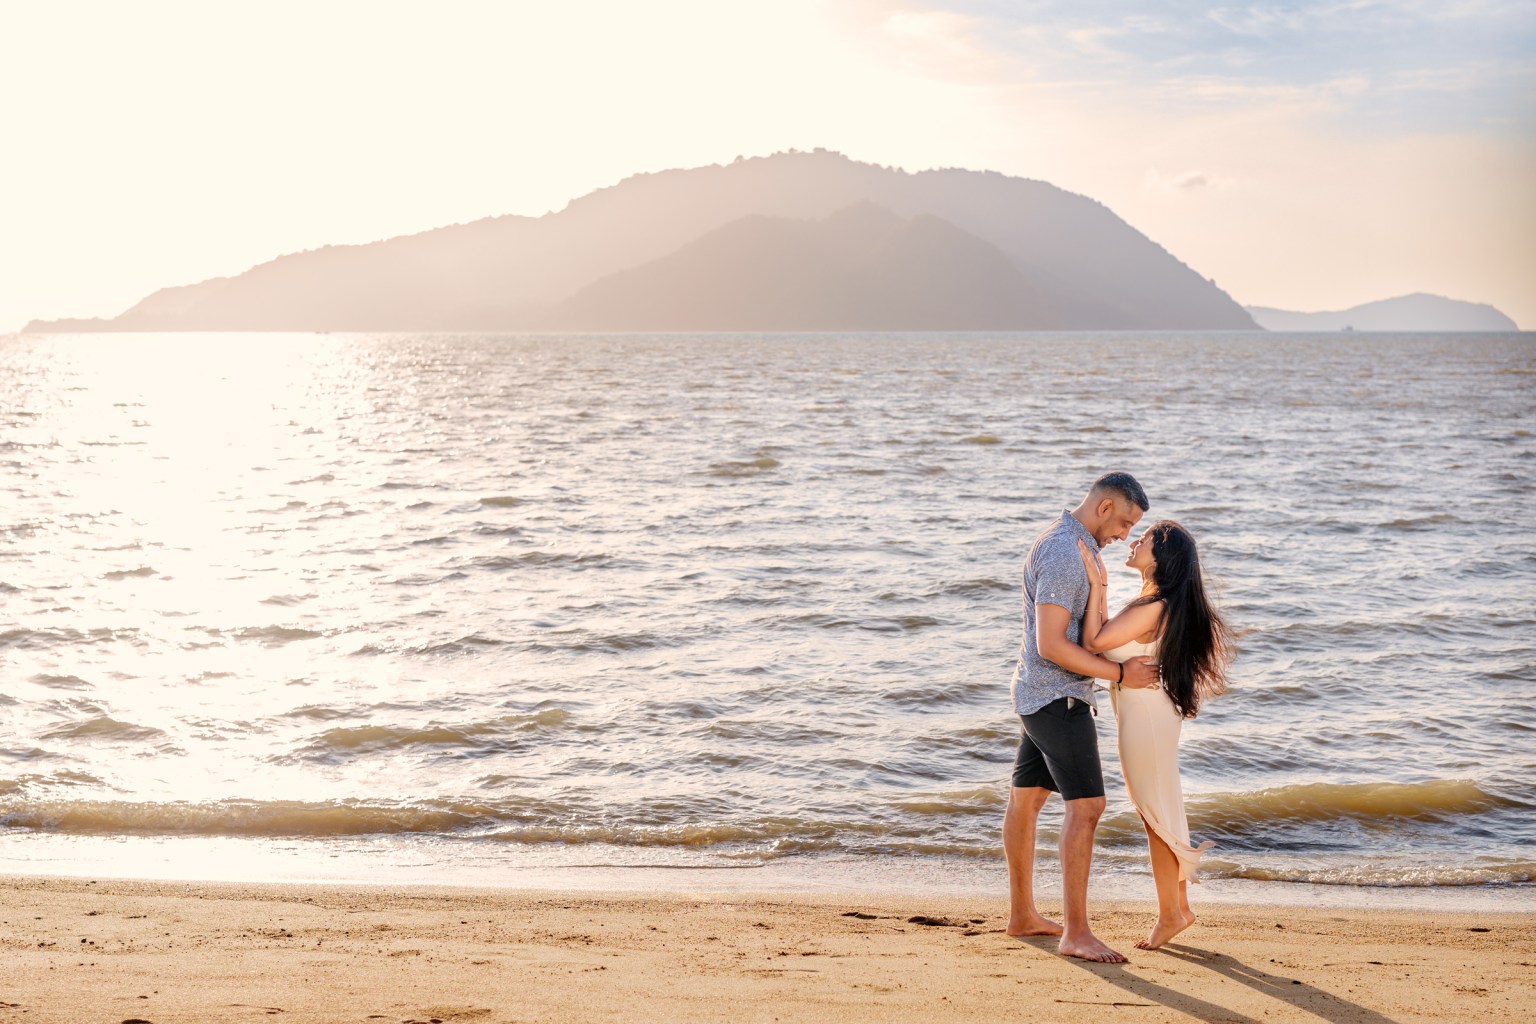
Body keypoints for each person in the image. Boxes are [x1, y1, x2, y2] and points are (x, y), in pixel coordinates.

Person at [1003, 472, 1160, 964]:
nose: (1124, 537)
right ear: (1106, 505)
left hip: (1039, 692)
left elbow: (1077, 629)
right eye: (1125, 523)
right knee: (1087, 808)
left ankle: (1023, 916)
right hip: (1057, 698)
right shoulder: (1066, 553)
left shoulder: (1071, 543)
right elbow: (1050, 644)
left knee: (1027, 800)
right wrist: (1119, 673)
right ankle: (1076, 932)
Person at [1076, 520, 1233, 950]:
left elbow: (1092, 641)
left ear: (1161, 557)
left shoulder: (1153, 607)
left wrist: (1096, 581)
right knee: (1160, 810)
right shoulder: (1156, 603)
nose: (1133, 542)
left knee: (1155, 815)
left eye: (1143, 539)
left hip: (1145, 719)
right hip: (1151, 715)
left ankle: (1170, 914)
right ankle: (1177, 909)